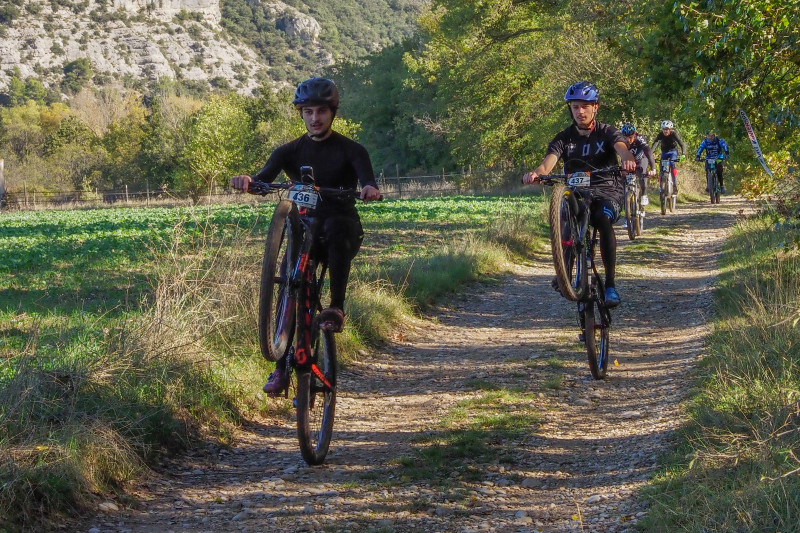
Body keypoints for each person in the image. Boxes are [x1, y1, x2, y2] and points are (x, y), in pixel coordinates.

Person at [231, 77, 381, 396]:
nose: (315, 118)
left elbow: (368, 180)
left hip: (340, 229)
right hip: (303, 235)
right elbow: (262, 180)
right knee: (289, 285)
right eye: (308, 112)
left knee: (337, 228)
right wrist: (247, 182)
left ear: (332, 113)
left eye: (321, 111)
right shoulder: (288, 151)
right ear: (300, 113)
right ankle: (281, 365)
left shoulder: (352, 150)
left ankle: (336, 308)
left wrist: (369, 188)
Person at [522, 81, 636, 308]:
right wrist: (536, 174)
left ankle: (610, 284)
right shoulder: (564, 137)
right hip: (576, 191)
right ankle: (564, 270)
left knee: (602, 219)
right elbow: (547, 164)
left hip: (606, 189)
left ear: (595, 108)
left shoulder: (607, 132)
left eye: (585, 106)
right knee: (566, 219)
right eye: (575, 107)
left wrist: (627, 160)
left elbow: (622, 148)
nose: (580, 112)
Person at [620, 122, 656, 205]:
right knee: (622, 177)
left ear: (635, 134)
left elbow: (648, 152)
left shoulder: (640, 138)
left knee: (642, 175)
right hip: (628, 161)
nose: (628, 140)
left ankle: (644, 195)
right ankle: (624, 199)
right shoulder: (620, 141)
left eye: (630, 137)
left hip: (641, 159)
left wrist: (653, 168)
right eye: (625, 137)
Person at [651, 120, 687, 194]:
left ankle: (674, 185)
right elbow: (655, 144)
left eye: (667, 129)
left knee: (672, 164)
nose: (665, 131)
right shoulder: (660, 134)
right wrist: (650, 154)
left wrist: (683, 154)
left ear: (670, 129)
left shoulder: (674, 134)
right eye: (664, 129)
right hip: (664, 152)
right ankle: (661, 186)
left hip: (673, 151)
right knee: (661, 168)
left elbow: (681, 143)